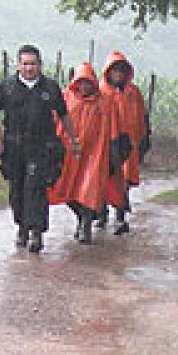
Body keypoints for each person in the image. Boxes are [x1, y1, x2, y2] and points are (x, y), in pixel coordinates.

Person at [0, 44, 77, 254]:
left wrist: (73, 139)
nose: (29, 68)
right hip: (14, 147)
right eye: (25, 64)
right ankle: (22, 227)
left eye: (33, 64)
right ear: (18, 65)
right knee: (17, 189)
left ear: (40, 65)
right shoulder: (7, 86)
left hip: (41, 146)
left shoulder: (50, 87)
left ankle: (37, 232)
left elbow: (63, 114)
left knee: (36, 188)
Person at [48, 62, 113, 244]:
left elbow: (109, 130)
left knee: (88, 191)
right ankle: (81, 217)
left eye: (88, 82)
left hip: (93, 155)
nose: (84, 87)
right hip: (68, 153)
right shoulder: (65, 98)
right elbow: (54, 121)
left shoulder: (103, 103)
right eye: (81, 82)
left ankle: (86, 223)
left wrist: (110, 154)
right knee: (65, 190)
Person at [98, 51, 150, 235]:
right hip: (106, 144)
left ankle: (120, 217)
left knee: (124, 181)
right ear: (108, 72)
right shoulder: (101, 92)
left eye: (121, 71)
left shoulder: (133, 93)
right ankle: (101, 213)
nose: (118, 74)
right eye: (115, 71)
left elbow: (143, 116)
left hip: (129, 145)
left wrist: (144, 139)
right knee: (103, 180)